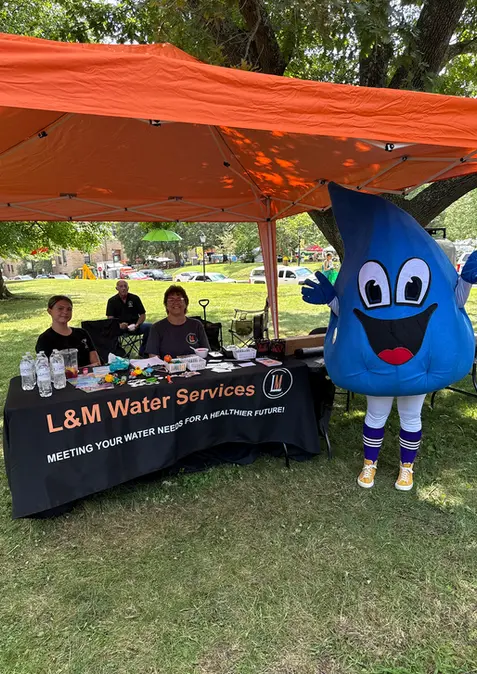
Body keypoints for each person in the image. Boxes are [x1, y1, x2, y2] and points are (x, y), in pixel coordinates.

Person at [302, 183, 477, 492]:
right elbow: (349, 312)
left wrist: (466, 280)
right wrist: (330, 299)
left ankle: (405, 468)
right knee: (377, 413)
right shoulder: (367, 267)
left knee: (411, 415)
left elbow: (454, 302)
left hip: (417, 363)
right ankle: (369, 464)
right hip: (378, 360)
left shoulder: (430, 271)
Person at [146, 285, 210, 358]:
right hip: (167, 368)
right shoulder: (157, 328)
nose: (176, 302)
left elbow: (206, 352)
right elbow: (153, 357)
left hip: (195, 368)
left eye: (179, 299)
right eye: (171, 300)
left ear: (186, 303)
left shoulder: (196, 325)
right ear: (166, 304)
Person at [36, 295, 100, 367]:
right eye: (60, 308)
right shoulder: (44, 339)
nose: (65, 312)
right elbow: (48, 369)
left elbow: (96, 363)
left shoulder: (82, 333)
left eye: (69, 309)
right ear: (49, 311)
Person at [106, 280, 151, 356]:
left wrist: (137, 324)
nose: (123, 288)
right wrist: (119, 325)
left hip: (135, 326)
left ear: (128, 288)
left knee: (150, 327)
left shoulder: (135, 298)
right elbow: (110, 319)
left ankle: (144, 351)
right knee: (109, 331)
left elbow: (143, 315)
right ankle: (118, 354)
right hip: (119, 327)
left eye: (125, 286)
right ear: (116, 288)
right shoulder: (112, 301)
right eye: (121, 286)